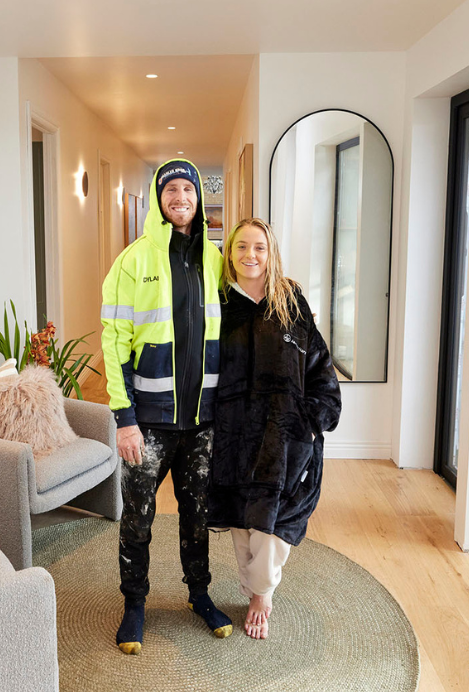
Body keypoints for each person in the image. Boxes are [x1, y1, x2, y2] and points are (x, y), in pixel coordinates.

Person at [101, 159, 230, 655]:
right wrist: (124, 419)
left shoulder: (214, 258)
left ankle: (199, 595)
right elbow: (113, 343)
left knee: (198, 515)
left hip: (201, 421)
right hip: (148, 423)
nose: (180, 196)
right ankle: (135, 604)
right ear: (159, 199)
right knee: (139, 515)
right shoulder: (132, 261)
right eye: (171, 188)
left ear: (198, 198)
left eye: (188, 188)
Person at [208, 218, 342, 639]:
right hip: (231, 431)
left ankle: (261, 592)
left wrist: (317, 414)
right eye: (242, 246)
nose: (251, 255)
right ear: (230, 252)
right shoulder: (217, 303)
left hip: (285, 431)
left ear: (272, 253)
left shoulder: (291, 301)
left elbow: (319, 362)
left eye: (259, 247)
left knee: (278, 515)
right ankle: (254, 588)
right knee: (242, 517)